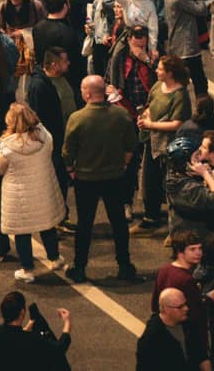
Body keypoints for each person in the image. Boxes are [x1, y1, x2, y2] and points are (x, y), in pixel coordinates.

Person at [64, 73, 141, 282]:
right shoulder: (120, 115)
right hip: (115, 176)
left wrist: (71, 169)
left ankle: (80, 266)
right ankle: (124, 265)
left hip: (86, 178)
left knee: (85, 224)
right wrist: (123, 163)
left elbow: (68, 151)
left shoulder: (77, 118)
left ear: (87, 94)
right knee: (118, 223)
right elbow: (131, 145)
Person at [0, 101, 65, 282]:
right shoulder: (46, 137)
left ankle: (27, 270)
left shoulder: (8, 147)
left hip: (19, 195)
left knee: (22, 232)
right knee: (47, 224)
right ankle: (55, 258)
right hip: (43, 188)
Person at [0, 289, 73, 371]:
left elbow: (12, 335)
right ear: (22, 312)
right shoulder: (30, 339)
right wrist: (67, 323)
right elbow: (59, 349)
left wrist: (29, 324)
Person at [143, 285, 206, 371]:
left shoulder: (189, 325)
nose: (186, 308)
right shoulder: (151, 338)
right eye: (180, 307)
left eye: (185, 304)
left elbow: (201, 355)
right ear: (165, 309)